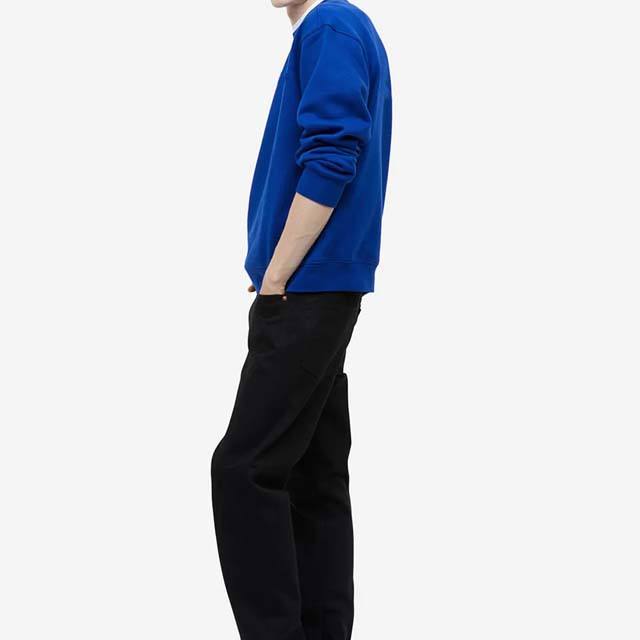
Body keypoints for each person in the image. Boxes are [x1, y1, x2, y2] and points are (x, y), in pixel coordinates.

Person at [211, 1, 392, 638]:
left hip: (305, 292)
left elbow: (334, 152)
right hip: (321, 289)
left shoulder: (330, 26)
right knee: (313, 475)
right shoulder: (337, 29)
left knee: (242, 470)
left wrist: (277, 274)